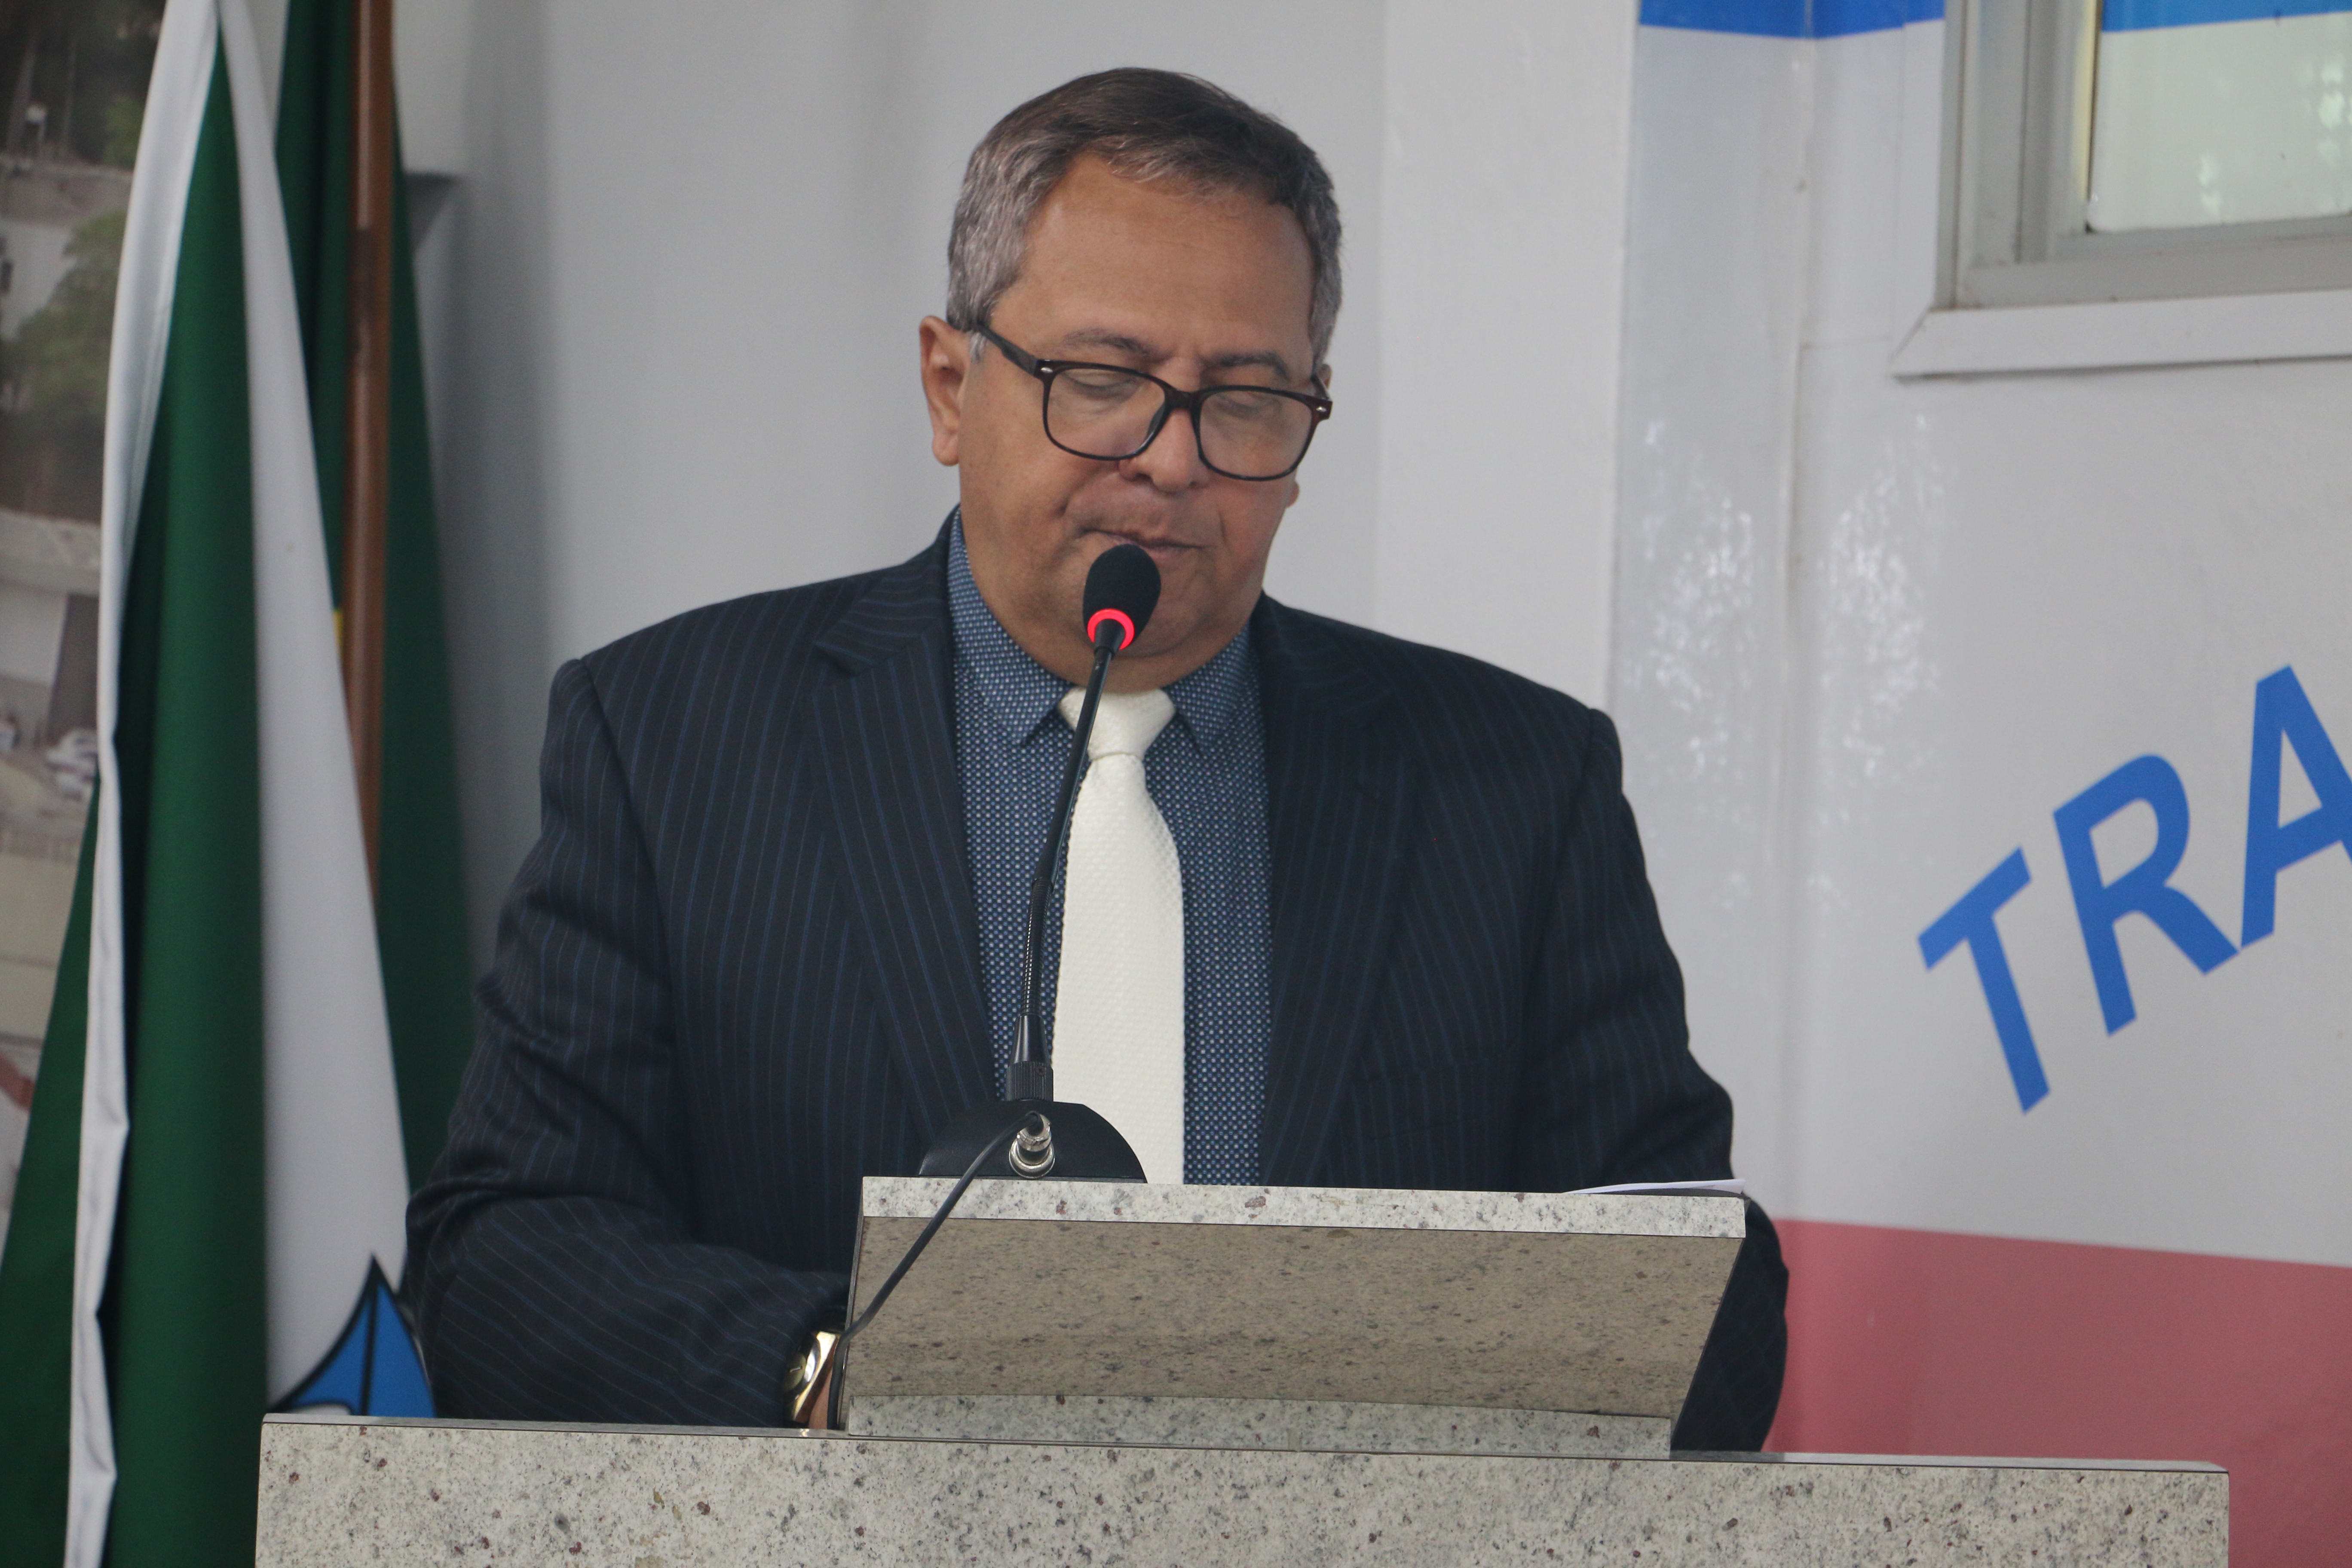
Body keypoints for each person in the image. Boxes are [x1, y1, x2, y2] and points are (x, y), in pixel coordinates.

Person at [408, 67, 1786, 1449]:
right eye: (1103, 382)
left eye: (1245, 400)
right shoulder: (676, 740)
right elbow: (504, 1258)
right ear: (951, 388)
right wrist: (836, 1374)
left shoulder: (1514, 786)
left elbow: (1704, 1300)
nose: (1170, 463)